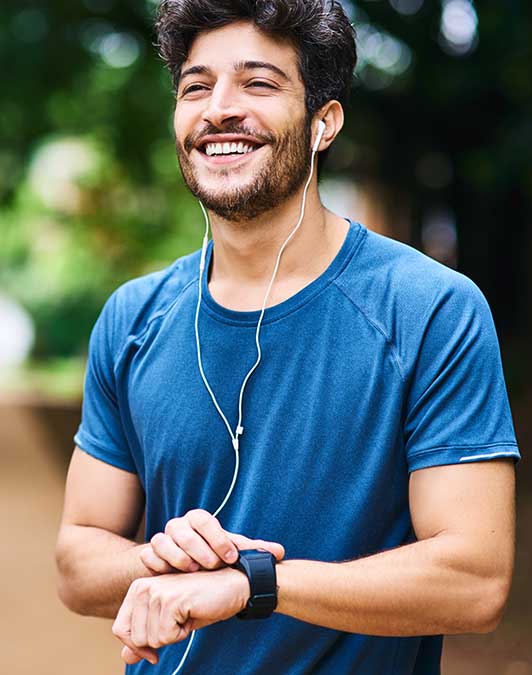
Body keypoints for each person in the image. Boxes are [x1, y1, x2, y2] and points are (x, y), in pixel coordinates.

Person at [54, 1, 520, 673]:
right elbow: (76, 561)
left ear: (323, 122)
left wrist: (251, 583)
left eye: (258, 83)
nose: (219, 108)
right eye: (196, 86)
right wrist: (165, 562)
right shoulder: (132, 318)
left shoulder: (432, 310)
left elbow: (475, 579)